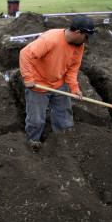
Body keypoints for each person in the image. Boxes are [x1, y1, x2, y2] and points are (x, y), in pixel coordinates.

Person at [19, 15, 96, 147]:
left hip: (59, 83)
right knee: (36, 120)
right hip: (39, 84)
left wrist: (74, 89)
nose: (87, 40)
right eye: (86, 36)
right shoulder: (50, 40)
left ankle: (64, 143)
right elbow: (25, 54)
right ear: (78, 32)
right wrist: (28, 78)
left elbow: (72, 69)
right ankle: (33, 143)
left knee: (64, 118)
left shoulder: (79, 45)